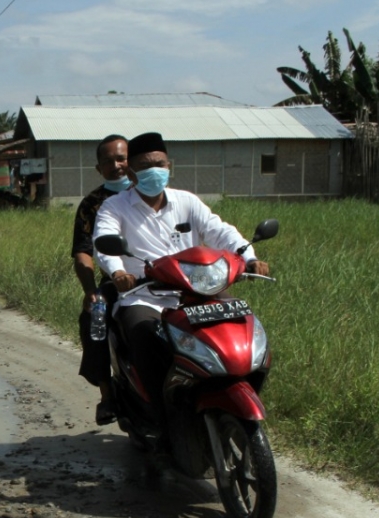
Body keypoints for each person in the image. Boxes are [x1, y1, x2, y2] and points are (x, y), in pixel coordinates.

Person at [93, 131, 269, 424]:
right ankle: (157, 418)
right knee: (142, 334)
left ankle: (233, 391)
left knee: (240, 324)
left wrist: (249, 257)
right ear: (132, 172)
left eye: (160, 164)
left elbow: (219, 230)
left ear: (170, 166)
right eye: (146, 166)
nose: (155, 171)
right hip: (144, 296)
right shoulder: (114, 207)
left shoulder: (187, 201)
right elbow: (105, 241)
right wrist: (119, 272)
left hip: (197, 291)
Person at [72, 134, 130, 425]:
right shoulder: (92, 204)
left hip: (163, 276)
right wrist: (90, 289)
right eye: (108, 161)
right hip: (118, 281)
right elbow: (83, 252)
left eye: (121, 158)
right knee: (95, 316)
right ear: (99, 168)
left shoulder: (151, 195)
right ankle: (107, 395)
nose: (116, 165)